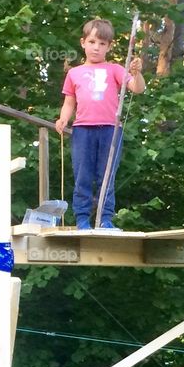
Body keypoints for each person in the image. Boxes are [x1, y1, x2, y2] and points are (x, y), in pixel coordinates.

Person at [55, 18, 145, 230]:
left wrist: (137, 73)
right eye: (93, 42)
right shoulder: (74, 73)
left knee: (106, 175)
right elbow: (69, 102)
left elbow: (137, 88)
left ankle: (105, 218)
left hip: (110, 130)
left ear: (109, 46)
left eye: (102, 44)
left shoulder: (114, 69)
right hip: (82, 130)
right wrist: (63, 118)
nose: (96, 47)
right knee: (82, 175)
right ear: (83, 42)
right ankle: (82, 219)